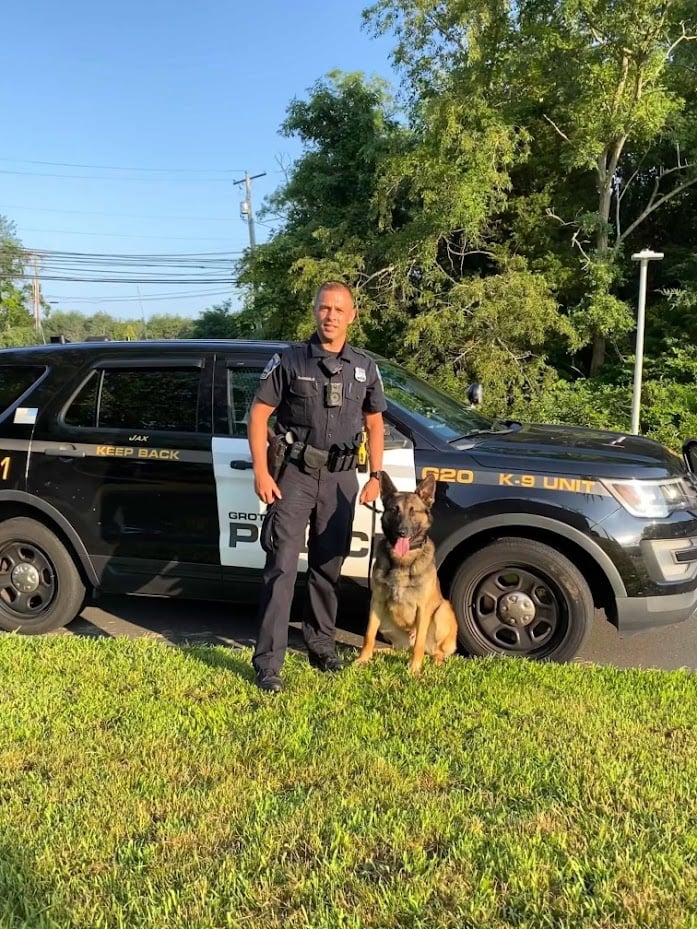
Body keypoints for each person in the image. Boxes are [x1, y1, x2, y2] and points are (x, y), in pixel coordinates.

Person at [247, 281, 386, 692]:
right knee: (282, 569)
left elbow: (375, 424)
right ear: (314, 311)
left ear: (352, 315)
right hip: (294, 476)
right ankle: (268, 664)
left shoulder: (365, 367)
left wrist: (375, 476)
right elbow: (258, 417)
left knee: (329, 567)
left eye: (339, 310)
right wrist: (261, 472)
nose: (331, 316)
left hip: (342, 479)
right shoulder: (290, 361)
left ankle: (321, 646)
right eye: (324, 308)